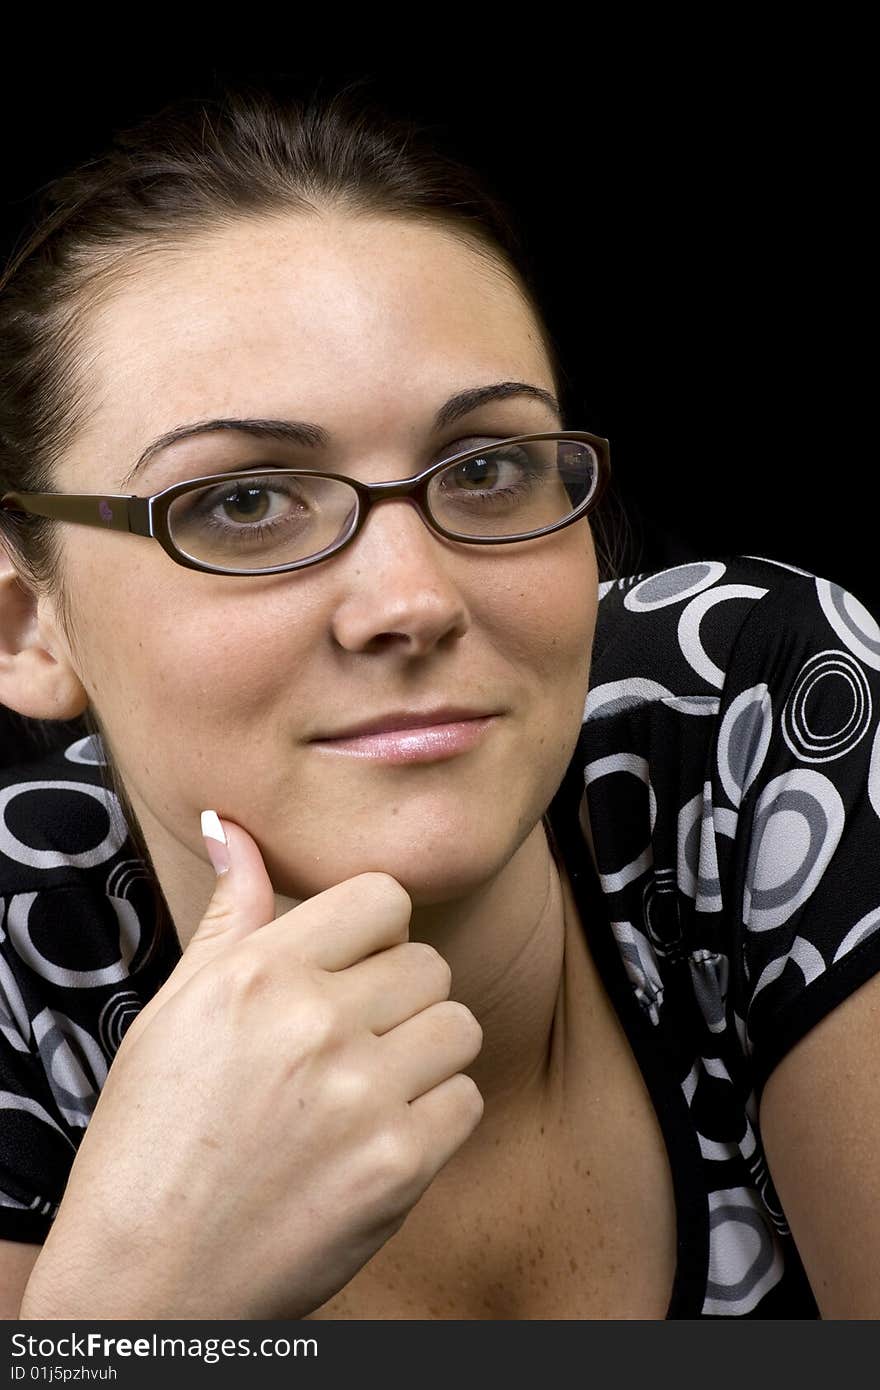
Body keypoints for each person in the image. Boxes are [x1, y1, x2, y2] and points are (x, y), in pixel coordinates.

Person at [0, 78, 878, 1323]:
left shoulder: (763, 713)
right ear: (26, 624)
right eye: (243, 502)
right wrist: (135, 1307)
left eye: (486, 468)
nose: (409, 598)